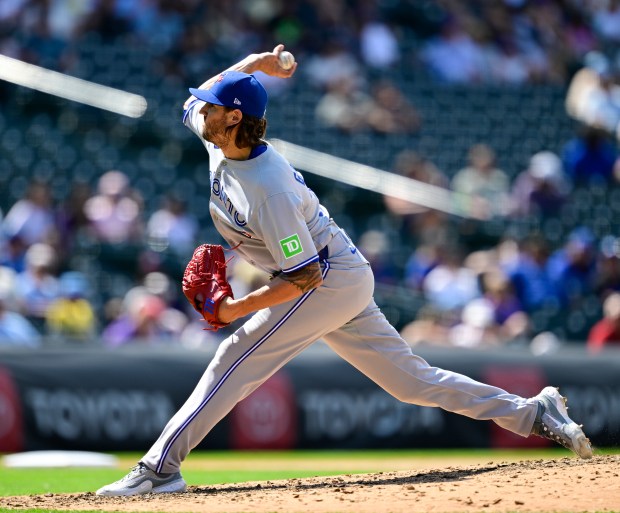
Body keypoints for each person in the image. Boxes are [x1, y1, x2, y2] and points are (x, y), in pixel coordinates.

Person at [96, 44, 593, 497]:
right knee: (410, 382)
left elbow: (304, 277)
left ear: (232, 117)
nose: (197, 108)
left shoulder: (269, 189)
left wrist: (235, 308)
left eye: (209, 104)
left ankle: (160, 467)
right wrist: (257, 63)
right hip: (343, 272)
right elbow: (217, 88)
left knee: (235, 353)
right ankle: (532, 411)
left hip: (327, 278)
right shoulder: (219, 137)